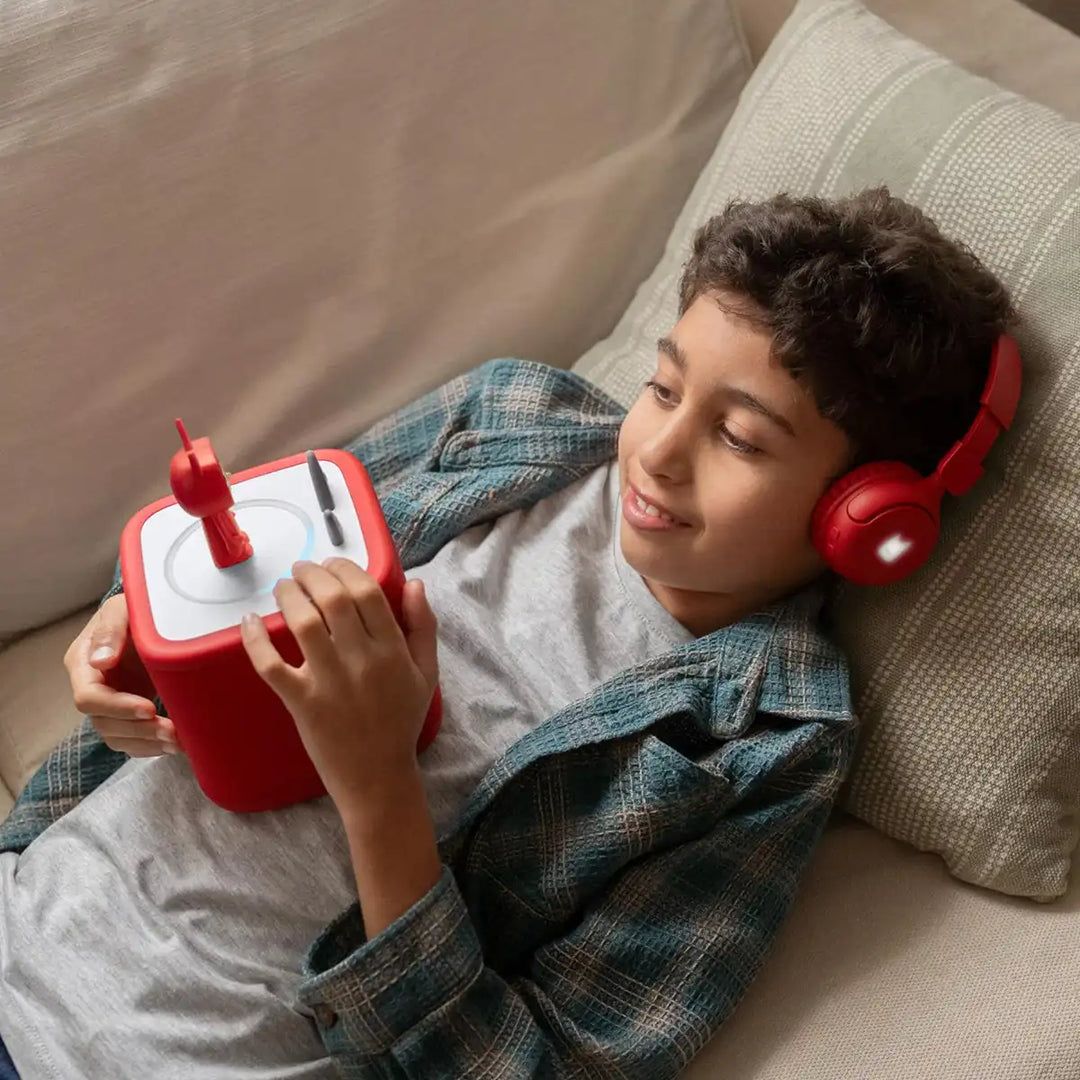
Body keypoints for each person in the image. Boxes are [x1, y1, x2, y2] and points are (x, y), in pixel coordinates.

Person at [0, 187, 1016, 1080]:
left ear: (868, 516)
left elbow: (541, 1065)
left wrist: (380, 785)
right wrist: (135, 646)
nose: (654, 452)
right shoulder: (504, 414)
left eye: (739, 436)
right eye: (663, 387)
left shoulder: (767, 741)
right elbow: (238, 560)